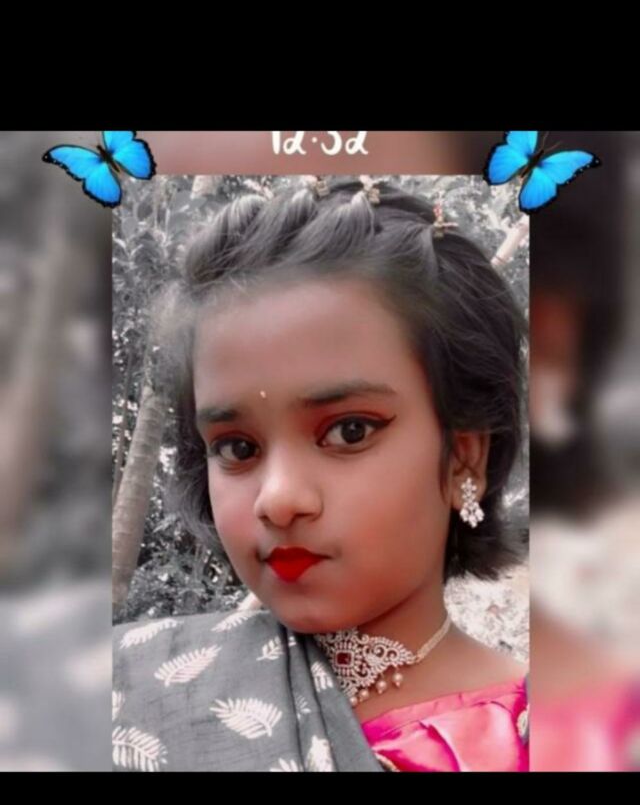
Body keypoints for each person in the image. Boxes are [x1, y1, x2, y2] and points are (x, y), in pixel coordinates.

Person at [112, 175, 529, 772]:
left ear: (464, 456)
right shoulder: (133, 692)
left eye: (349, 431)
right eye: (236, 447)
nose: (278, 499)